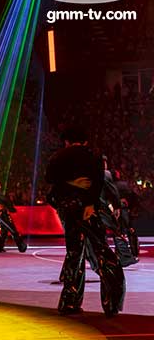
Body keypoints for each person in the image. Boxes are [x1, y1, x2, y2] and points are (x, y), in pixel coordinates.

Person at [45, 126, 125, 317]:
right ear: (85, 141)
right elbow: (98, 184)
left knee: (74, 254)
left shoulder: (58, 157)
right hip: (88, 209)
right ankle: (111, 302)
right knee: (102, 251)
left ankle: (70, 302)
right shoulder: (93, 157)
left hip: (69, 209)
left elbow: (50, 179)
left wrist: (69, 183)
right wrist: (90, 204)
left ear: (67, 141)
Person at [0, 179, 27, 253]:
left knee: (4, 231)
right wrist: (11, 208)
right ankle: (21, 246)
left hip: (0, 215)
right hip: (2, 215)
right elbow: (6, 201)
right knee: (12, 229)